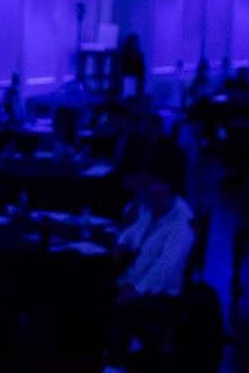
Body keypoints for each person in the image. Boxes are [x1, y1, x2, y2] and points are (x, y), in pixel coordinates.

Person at [105, 153, 198, 372]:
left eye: (148, 183)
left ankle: (116, 364)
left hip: (162, 295)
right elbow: (134, 230)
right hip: (135, 278)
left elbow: (165, 269)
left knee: (121, 307)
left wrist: (137, 290)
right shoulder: (152, 207)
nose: (143, 190)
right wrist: (122, 243)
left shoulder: (181, 223)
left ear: (166, 186)